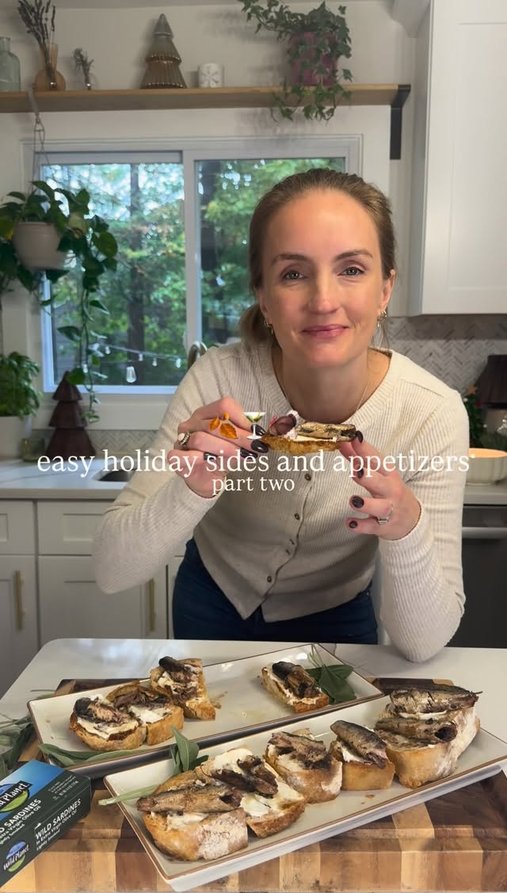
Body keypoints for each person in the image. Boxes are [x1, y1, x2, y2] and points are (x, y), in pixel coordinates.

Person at [93, 168, 468, 662]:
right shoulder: (218, 380)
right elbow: (111, 570)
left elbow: (421, 645)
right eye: (293, 273)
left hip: (337, 619)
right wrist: (191, 487)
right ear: (264, 297)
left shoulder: (432, 413)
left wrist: (407, 526)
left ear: (385, 289)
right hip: (209, 604)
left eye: (351, 269)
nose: (323, 300)